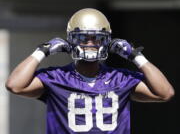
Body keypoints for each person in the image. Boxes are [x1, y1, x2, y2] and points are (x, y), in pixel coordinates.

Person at [5, 8, 174, 134]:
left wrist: (136, 56)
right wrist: (42, 51)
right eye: (83, 38)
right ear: (70, 40)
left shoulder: (120, 79)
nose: (90, 44)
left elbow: (165, 93)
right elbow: (15, 85)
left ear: (106, 41)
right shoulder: (56, 78)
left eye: (97, 38)